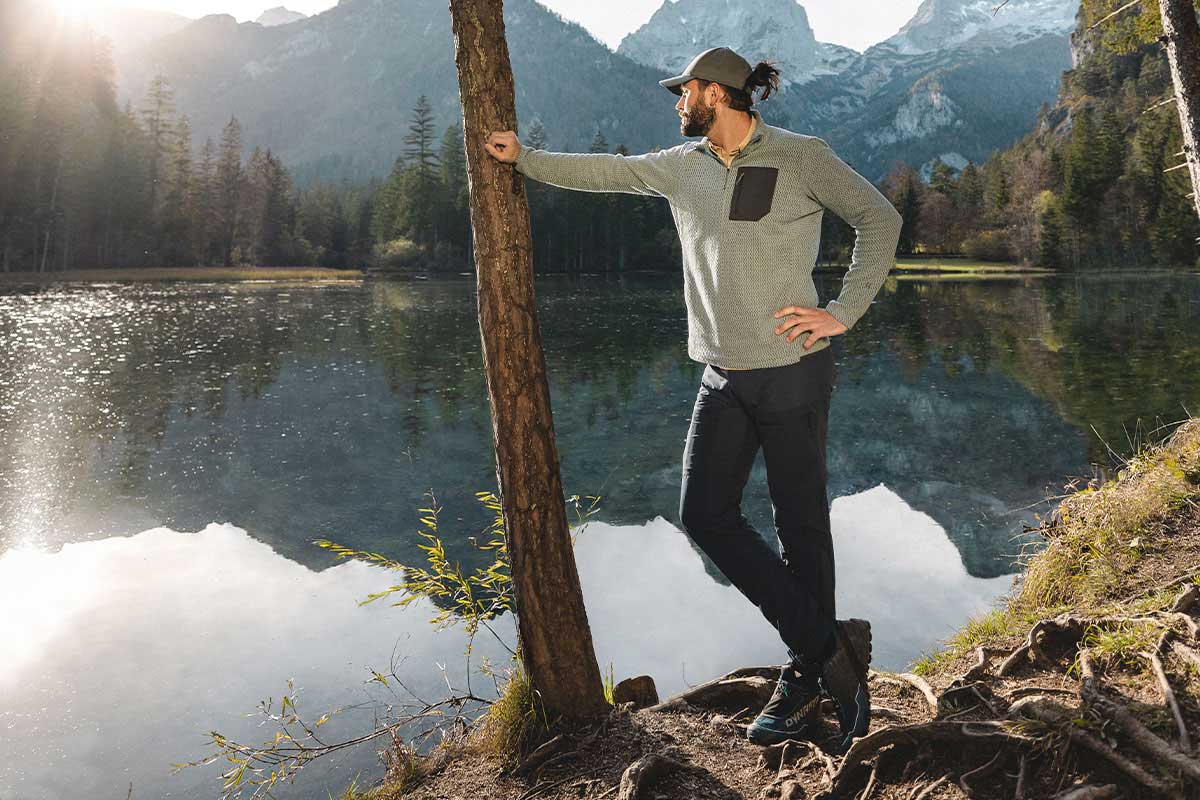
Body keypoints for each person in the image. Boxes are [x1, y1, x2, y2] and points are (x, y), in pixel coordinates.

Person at [483, 45, 902, 753]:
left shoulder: (802, 156)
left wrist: (843, 310)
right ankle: (832, 654)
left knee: (801, 525)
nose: (677, 102)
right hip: (721, 375)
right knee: (704, 515)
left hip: (795, 370)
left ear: (717, 93)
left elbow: (880, 218)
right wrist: (525, 156)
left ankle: (810, 676)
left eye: (686, 92)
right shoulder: (682, 168)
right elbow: (606, 173)